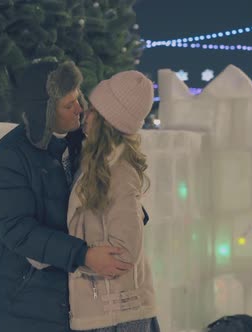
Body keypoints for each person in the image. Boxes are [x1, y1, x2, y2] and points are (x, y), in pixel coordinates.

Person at [0, 61, 134, 332]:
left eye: (78, 98)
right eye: (68, 105)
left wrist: (125, 209)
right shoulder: (9, 157)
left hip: (69, 295)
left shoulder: (79, 142)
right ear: (44, 112)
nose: (79, 108)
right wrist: (83, 255)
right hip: (24, 300)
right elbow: (17, 230)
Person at [66, 70, 159, 331]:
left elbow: (126, 251)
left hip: (118, 315)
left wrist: (81, 256)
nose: (86, 113)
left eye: (94, 110)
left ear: (108, 122)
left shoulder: (119, 171)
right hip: (103, 310)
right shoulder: (96, 164)